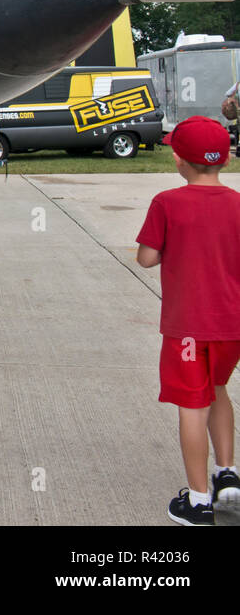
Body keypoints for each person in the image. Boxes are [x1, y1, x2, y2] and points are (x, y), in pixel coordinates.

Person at [135, 115, 240, 525]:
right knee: (218, 390)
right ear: (225, 159)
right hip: (231, 324)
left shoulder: (167, 202)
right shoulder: (236, 203)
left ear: (178, 160)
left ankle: (198, 502)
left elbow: (146, 258)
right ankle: (226, 474)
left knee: (192, 407)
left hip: (188, 330)